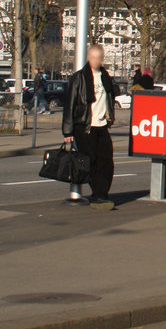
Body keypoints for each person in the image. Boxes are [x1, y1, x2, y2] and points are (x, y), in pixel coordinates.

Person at [62, 43, 118, 210]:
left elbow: (110, 99)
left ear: (102, 59)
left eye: (98, 58)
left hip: (102, 125)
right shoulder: (79, 78)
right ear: (88, 57)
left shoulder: (106, 77)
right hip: (85, 126)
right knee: (91, 161)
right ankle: (98, 195)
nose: (95, 61)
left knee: (106, 161)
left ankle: (102, 194)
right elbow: (70, 104)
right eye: (92, 57)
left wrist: (110, 118)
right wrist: (67, 131)